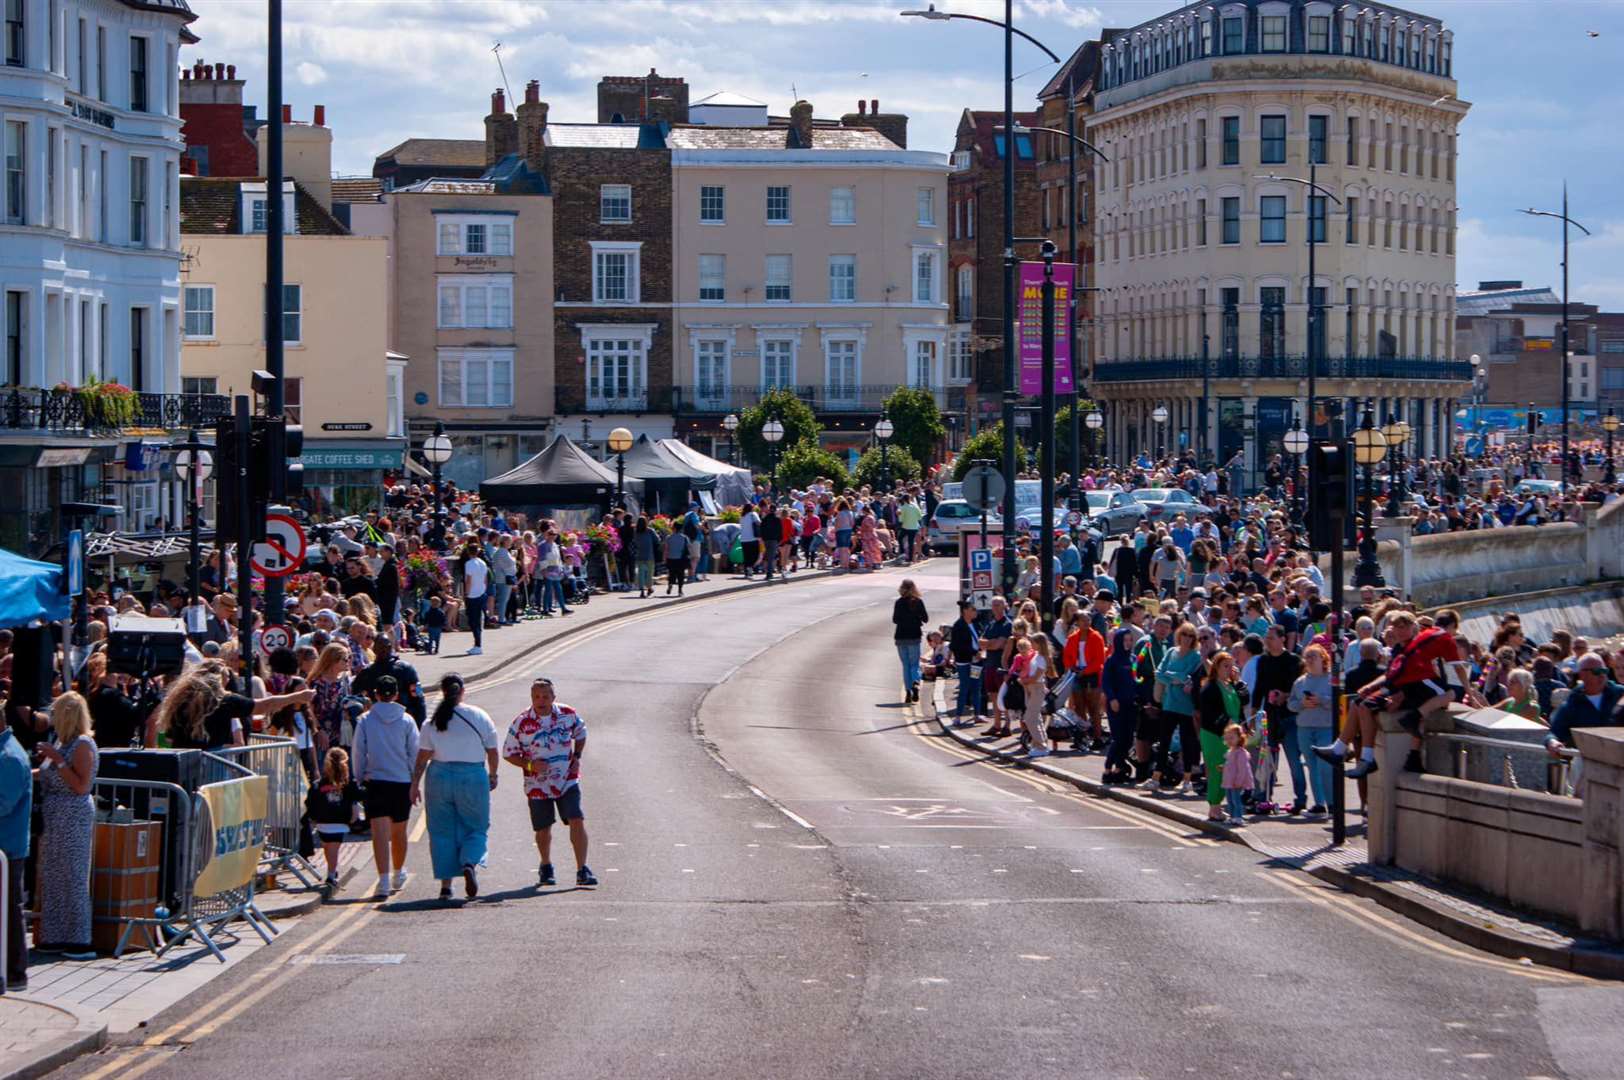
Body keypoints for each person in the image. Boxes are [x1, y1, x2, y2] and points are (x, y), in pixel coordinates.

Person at [412, 674, 500, 902]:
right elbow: (492, 750)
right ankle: (469, 862)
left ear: (442, 691)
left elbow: (422, 758)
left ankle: (445, 886)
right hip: (472, 775)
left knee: (441, 831)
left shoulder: (431, 722)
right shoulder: (479, 716)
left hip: (439, 776)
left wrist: (413, 785)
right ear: (463, 691)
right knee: (476, 827)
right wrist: (493, 774)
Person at [503, 678, 597, 888]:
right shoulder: (521, 722)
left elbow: (581, 733)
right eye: (537, 696)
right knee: (543, 829)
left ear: (554, 697)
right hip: (537, 785)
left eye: (545, 696)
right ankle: (546, 866)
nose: (541, 700)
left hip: (567, 780)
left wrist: (577, 757)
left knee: (576, 818)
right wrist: (530, 766)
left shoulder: (567, 714)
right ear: (531, 698)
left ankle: (582, 869)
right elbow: (509, 753)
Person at [34, 692, 98, 959]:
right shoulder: (61, 741)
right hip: (55, 815)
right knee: (53, 875)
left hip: (72, 814)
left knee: (72, 876)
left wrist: (57, 761)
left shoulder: (83, 744)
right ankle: (54, 936)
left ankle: (79, 940)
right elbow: (47, 772)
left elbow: (82, 785)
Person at [351, 676, 421, 899]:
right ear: (396, 694)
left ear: (376, 694)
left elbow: (358, 753)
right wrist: (414, 781)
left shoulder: (365, 720)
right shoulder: (407, 720)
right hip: (401, 782)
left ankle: (382, 880)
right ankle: (398, 873)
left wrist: (359, 777)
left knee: (379, 834)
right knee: (399, 832)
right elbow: (414, 753)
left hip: (376, 782)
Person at [158, 666, 313, 751]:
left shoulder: (180, 700)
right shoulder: (225, 700)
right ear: (220, 681)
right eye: (226, 679)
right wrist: (296, 697)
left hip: (182, 760)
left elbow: (169, 737)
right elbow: (263, 705)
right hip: (213, 764)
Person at [1153, 623, 1204, 792]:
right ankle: (1156, 777)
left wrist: (1173, 676)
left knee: (1186, 743)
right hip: (1169, 703)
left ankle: (1187, 779)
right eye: (1185, 635)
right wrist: (1175, 679)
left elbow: (1189, 677)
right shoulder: (1171, 652)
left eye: (1191, 636)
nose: (1187, 639)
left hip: (1186, 706)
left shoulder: (1196, 657)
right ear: (1179, 635)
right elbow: (1159, 673)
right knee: (1164, 741)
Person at [1, 709, 31, 989]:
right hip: (5, 848)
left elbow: (3, 804)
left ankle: (14, 973)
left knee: (9, 911)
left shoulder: (9, 757)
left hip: (7, 850)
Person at [306, 748, 362, 892]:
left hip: (322, 822)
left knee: (327, 846)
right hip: (341, 822)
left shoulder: (318, 784)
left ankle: (332, 872)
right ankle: (332, 874)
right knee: (333, 848)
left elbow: (310, 802)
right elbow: (357, 799)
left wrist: (313, 818)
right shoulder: (349, 783)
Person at [1287, 645, 1334, 815]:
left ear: (1324, 658)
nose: (1310, 660)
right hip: (1304, 727)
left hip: (1326, 728)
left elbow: (1339, 703)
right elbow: (1291, 705)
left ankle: (1332, 803)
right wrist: (1302, 704)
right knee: (1312, 766)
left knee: (1325, 766)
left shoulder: (1331, 679)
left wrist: (1321, 700)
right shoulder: (1300, 682)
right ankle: (1319, 804)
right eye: (1307, 657)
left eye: (1314, 656)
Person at [1196, 652, 1242, 822]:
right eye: (1225, 666)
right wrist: (1226, 721)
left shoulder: (1230, 685)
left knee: (1228, 770)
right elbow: (1208, 712)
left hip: (1231, 734)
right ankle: (1214, 807)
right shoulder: (1211, 686)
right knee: (1217, 769)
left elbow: (1244, 699)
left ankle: (1218, 806)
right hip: (1215, 734)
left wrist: (1237, 681)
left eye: (1231, 666)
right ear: (1216, 667)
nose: (1229, 669)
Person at [1101, 627, 1140, 784]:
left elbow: (1136, 679)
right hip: (1116, 704)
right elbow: (1106, 682)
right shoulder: (1112, 660)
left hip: (1131, 704)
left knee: (1128, 738)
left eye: (1130, 640)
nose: (1128, 643)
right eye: (1125, 640)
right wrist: (1112, 699)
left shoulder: (1133, 659)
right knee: (1118, 738)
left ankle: (1119, 768)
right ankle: (1108, 769)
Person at [892, 579, 929, 703]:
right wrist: (916, 617)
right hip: (914, 636)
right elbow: (926, 619)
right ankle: (916, 682)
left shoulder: (899, 602)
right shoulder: (918, 602)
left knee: (906, 665)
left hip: (901, 637)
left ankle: (908, 691)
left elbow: (895, 620)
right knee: (914, 664)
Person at [948, 600, 983, 726]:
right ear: (965, 611)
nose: (975, 612)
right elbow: (959, 645)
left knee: (976, 687)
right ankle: (958, 716)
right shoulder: (959, 625)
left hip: (976, 662)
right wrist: (975, 652)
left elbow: (978, 640)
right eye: (973, 609)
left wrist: (979, 652)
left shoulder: (975, 624)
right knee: (964, 687)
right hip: (964, 662)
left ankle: (977, 715)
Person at [1221, 723, 1253, 826]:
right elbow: (1230, 766)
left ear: (1240, 738)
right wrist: (1223, 767)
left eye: (1232, 738)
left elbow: (1243, 769)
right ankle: (1232, 817)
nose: (1229, 741)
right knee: (1230, 800)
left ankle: (1238, 817)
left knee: (1236, 800)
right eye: (1227, 738)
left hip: (1236, 782)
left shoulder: (1241, 753)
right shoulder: (1230, 751)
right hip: (1229, 781)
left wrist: (1238, 781)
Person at [463, 543, 490, 655]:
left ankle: (478, 645)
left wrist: (466, 593)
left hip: (472, 595)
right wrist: (483, 590)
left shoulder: (469, 564)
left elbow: (468, 580)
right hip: (481, 593)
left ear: (469, 552)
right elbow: (485, 579)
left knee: (473, 621)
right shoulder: (482, 563)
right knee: (478, 620)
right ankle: (477, 645)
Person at [633, 517, 658, 599]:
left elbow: (634, 542)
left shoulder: (636, 532)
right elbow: (657, 540)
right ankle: (649, 588)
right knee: (649, 574)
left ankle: (642, 591)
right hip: (649, 555)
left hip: (639, 555)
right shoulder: (650, 531)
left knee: (641, 574)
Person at [664, 524, 691, 596]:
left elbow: (666, 549)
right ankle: (680, 590)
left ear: (674, 529)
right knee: (680, 575)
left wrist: (665, 559)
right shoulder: (685, 538)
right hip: (681, 559)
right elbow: (689, 547)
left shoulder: (668, 537)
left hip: (671, 558)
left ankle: (670, 584)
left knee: (671, 574)